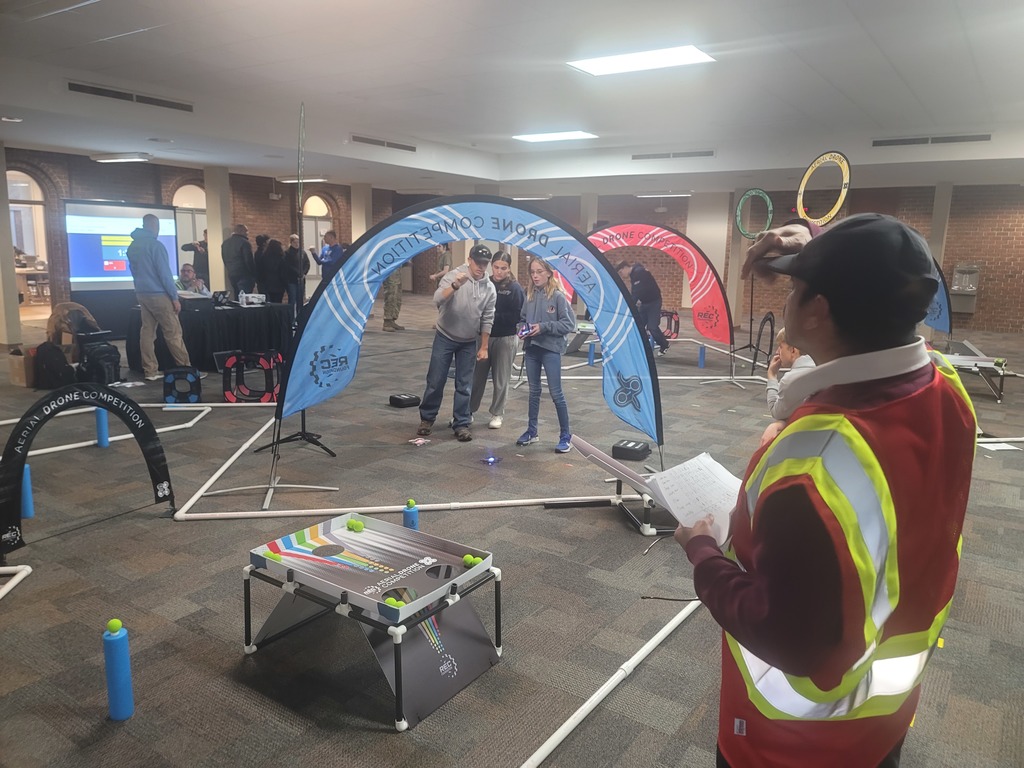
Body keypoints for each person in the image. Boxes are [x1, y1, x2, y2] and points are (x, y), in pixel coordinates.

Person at [674, 213, 976, 768]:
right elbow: (873, 280)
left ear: (818, 310)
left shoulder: (815, 462)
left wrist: (702, 553)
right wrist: (817, 245)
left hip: (793, 742)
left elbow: (783, 634)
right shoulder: (944, 386)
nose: (786, 296)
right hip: (884, 716)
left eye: (796, 287)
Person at [417, 245, 497, 442]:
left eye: (485, 263)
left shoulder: (489, 288)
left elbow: (488, 317)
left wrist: (484, 346)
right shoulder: (453, 276)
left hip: (469, 341)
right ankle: (427, 418)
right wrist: (454, 286)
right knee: (436, 380)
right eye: (477, 262)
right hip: (445, 335)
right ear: (469, 260)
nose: (481, 266)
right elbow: (437, 299)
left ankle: (461, 423)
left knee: (465, 384)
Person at [516, 257, 576, 453]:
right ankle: (532, 431)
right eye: (532, 272)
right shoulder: (529, 295)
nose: (535, 276)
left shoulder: (558, 297)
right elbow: (522, 319)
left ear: (549, 273)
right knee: (533, 392)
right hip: (532, 349)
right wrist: (522, 329)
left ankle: (565, 436)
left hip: (551, 349)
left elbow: (568, 324)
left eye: (539, 272)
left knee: (556, 393)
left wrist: (543, 327)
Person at [126, 214, 197, 381]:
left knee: (147, 333)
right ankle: (186, 369)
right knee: (173, 333)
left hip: (141, 293)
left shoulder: (133, 246)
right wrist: (174, 297)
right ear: (154, 226)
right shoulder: (156, 246)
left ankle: (150, 371)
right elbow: (164, 274)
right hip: (159, 295)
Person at [471, 251, 525, 429]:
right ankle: (468, 411)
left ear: (509, 269)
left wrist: (490, 317)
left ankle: (497, 413)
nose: (499, 271)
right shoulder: (485, 283)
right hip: (484, 337)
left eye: (503, 268)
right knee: (476, 377)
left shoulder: (515, 288)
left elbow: (518, 315)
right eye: (496, 267)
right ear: (491, 266)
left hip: (505, 338)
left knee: (501, 379)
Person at [616, 260, 670, 355]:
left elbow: (637, 293)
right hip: (644, 303)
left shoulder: (639, 272)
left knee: (652, 327)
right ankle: (640, 347)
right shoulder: (634, 274)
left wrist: (629, 306)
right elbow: (635, 292)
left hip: (654, 302)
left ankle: (664, 344)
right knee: (638, 326)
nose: (622, 275)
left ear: (625, 268)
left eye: (621, 272)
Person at [221, 224, 256, 297]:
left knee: (237, 297)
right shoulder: (245, 243)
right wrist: (254, 274)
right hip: (244, 275)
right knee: (246, 298)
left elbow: (224, 259)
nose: (247, 233)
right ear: (241, 231)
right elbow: (248, 261)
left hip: (232, 274)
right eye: (246, 231)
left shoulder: (225, 243)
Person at [283, 234, 310, 311]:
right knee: (292, 299)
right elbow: (288, 266)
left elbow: (307, 264)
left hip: (301, 280)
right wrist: (297, 273)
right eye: (295, 242)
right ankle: (291, 316)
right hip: (292, 280)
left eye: (298, 242)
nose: (297, 244)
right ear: (291, 243)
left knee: (300, 300)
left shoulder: (302, 252)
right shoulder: (287, 253)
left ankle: (299, 315)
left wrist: (304, 273)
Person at [256, 238, 287, 303]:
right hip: (279, 285)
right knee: (278, 302)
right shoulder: (281, 257)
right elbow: (283, 272)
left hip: (267, 284)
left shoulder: (264, 257)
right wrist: (285, 283)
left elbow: (261, 270)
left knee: (269, 302)